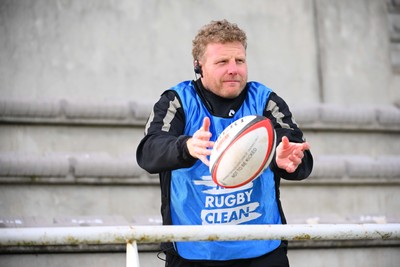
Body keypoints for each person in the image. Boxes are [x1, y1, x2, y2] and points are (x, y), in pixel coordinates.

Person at [136, 19, 313, 267]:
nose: (234, 69)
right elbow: (148, 152)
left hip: (261, 251)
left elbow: (299, 156)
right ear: (199, 66)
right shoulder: (177, 101)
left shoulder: (265, 101)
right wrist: (186, 146)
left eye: (239, 61)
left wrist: (285, 160)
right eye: (222, 62)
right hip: (194, 252)